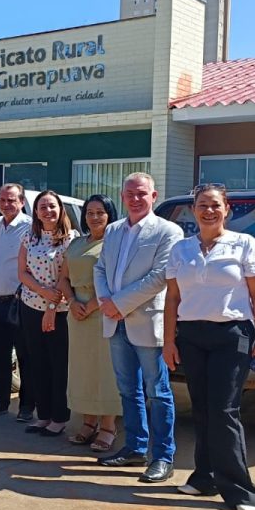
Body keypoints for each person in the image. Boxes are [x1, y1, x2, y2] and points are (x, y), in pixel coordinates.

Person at [164, 184, 255, 510]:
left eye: (215, 205)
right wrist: (169, 341)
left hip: (232, 334)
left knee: (224, 411)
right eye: (202, 205)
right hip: (192, 335)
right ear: (192, 210)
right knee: (201, 409)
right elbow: (172, 299)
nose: (208, 210)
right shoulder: (181, 250)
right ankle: (204, 478)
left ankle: (242, 491)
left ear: (226, 209)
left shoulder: (244, 245)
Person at [94, 172, 184, 483]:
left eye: (141, 193)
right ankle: (134, 447)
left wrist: (118, 303)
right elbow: (100, 267)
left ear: (154, 196)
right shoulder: (115, 230)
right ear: (122, 197)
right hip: (114, 321)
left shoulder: (168, 231)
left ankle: (162, 456)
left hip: (145, 322)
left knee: (157, 391)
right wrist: (106, 300)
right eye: (130, 193)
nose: (135, 198)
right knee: (128, 390)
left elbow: (160, 276)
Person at [59, 195, 122, 452]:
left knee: (105, 372)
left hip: (104, 311)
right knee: (83, 370)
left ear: (110, 214)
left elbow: (118, 281)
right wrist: (73, 302)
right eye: (89, 212)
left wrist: (93, 305)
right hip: (77, 314)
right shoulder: (75, 243)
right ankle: (87, 423)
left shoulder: (115, 244)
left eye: (100, 212)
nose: (94, 217)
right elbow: (63, 277)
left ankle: (108, 427)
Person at [18, 190, 78, 436]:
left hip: (59, 311)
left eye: (52, 206)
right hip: (31, 306)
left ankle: (59, 417)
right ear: (36, 212)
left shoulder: (70, 239)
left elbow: (67, 278)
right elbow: (22, 272)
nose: (47, 211)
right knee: (36, 362)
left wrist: (51, 307)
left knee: (58, 364)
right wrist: (42, 292)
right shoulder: (29, 236)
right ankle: (42, 415)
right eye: (42, 207)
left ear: (60, 209)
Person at [0, 184, 33, 420]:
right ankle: (0, 400)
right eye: (2, 200)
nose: (6, 204)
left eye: (11, 200)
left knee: (24, 355)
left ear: (21, 202)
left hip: (19, 302)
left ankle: (25, 406)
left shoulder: (30, 227)